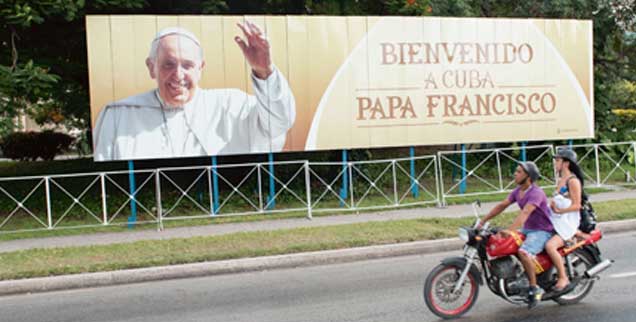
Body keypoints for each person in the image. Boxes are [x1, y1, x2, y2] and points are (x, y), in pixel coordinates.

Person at [93, 22, 296, 161]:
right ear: (151, 67)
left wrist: (264, 72)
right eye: (168, 65)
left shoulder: (232, 105)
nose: (178, 75)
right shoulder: (119, 115)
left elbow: (280, 122)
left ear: (201, 68)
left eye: (187, 65)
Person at [478, 161, 554, 309]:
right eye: (516, 171)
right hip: (527, 229)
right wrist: (483, 221)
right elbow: (502, 205)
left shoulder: (536, 193)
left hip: (542, 230)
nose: (515, 174)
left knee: (523, 252)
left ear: (528, 177)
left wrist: (511, 230)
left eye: (519, 172)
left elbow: (525, 213)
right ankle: (518, 275)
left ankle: (534, 287)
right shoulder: (518, 191)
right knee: (505, 245)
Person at [545, 149, 586, 292]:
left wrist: (560, 210)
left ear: (566, 163)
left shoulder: (573, 181)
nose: (555, 163)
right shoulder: (561, 179)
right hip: (556, 219)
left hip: (567, 223)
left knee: (550, 246)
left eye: (558, 161)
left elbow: (577, 205)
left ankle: (563, 277)